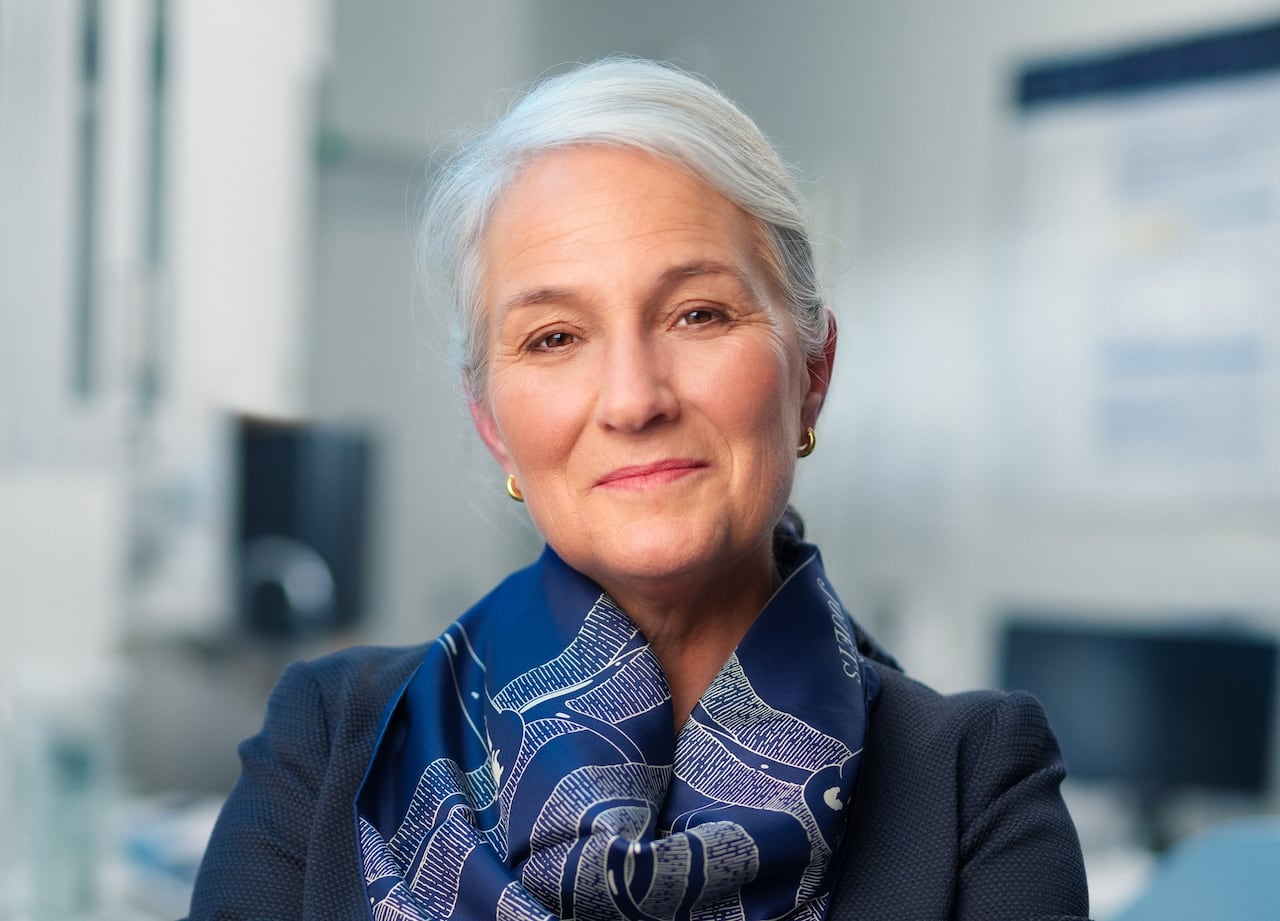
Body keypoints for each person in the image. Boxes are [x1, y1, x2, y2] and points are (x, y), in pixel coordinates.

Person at [188, 57, 1089, 921]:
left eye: (698, 314)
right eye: (553, 338)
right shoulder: (329, 740)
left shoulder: (976, 784)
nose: (633, 399)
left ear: (812, 369)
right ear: (492, 422)